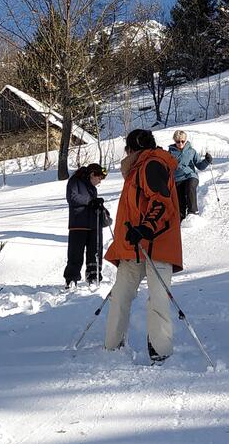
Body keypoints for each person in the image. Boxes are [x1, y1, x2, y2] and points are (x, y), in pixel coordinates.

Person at [103, 129, 182, 363]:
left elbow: (162, 202)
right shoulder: (137, 168)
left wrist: (147, 227)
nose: (125, 154)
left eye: (126, 148)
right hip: (133, 246)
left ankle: (160, 349)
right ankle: (111, 347)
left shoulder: (151, 164)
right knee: (119, 296)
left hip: (157, 244)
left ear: (133, 147)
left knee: (157, 299)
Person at [64, 163, 109, 288]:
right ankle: (71, 278)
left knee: (94, 252)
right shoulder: (75, 181)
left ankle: (93, 276)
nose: (99, 181)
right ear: (92, 174)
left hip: (93, 225)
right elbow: (72, 197)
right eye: (99, 178)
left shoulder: (92, 189)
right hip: (78, 223)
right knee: (75, 253)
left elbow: (92, 204)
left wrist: (103, 211)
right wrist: (90, 201)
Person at [167, 130, 212, 220]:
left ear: (185, 140)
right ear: (174, 141)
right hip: (177, 179)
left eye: (182, 141)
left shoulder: (191, 151)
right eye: (177, 141)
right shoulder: (170, 153)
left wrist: (207, 161)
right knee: (180, 200)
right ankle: (182, 218)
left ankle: (193, 211)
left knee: (190, 187)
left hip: (190, 176)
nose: (180, 143)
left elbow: (200, 166)